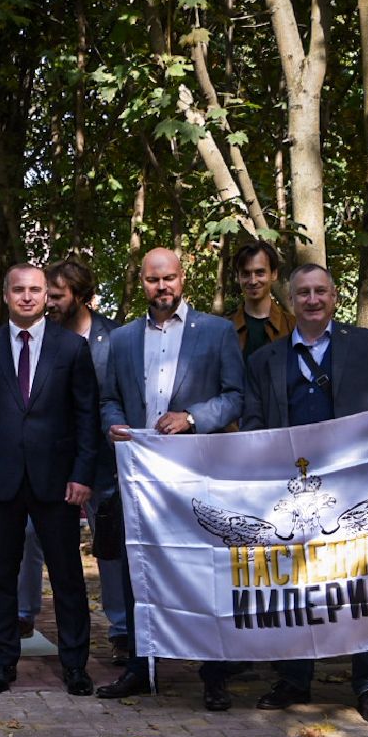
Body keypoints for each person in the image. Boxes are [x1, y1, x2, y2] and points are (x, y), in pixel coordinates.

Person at [242, 264, 368, 724]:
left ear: (334, 296)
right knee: (295, 584)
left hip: (354, 484)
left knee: (363, 583)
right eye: (303, 293)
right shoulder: (265, 359)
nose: (312, 300)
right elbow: (252, 420)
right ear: (290, 299)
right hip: (293, 491)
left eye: (320, 291)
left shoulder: (362, 344)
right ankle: (293, 678)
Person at [95, 249, 246, 709]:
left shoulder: (217, 331)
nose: (162, 287)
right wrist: (114, 425)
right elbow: (109, 398)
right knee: (137, 569)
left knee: (206, 571)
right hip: (139, 478)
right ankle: (140, 665)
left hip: (196, 475)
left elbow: (235, 396)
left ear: (183, 279)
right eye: (152, 279)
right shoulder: (122, 338)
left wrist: (192, 418)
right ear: (141, 281)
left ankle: (214, 673)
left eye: (169, 278)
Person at [0, 264, 99, 696]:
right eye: (18, 289)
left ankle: (75, 666)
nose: (27, 296)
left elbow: (86, 416)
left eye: (35, 290)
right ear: (6, 295)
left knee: (67, 576)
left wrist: (82, 474)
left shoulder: (71, 347)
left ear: (45, 296)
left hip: (57, 482)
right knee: (2, 577)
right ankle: (3, 663)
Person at [18, 259, 128, 660]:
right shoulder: (40, 337)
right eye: (47, 295)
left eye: (58, 296)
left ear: (82, 296)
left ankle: (121, 630)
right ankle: (23, 613)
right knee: (29, 532)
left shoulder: (115, 338)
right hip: (52, 460)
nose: (49, 303)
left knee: (109, 544)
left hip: (104, 462)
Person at [227, 241, 295, 361]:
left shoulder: (293, 327)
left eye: (260, 273)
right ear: (238, 277)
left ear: (274, 274)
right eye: (246, 274)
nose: (253, 281)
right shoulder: (224, 328)